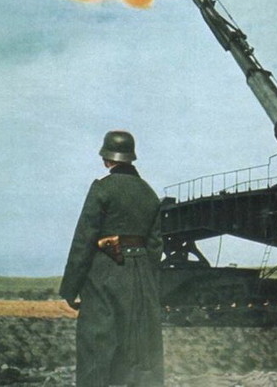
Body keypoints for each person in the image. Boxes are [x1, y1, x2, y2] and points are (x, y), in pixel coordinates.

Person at [59, 130, 164, 387]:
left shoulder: (102, 188)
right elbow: (155, 246)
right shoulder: (149, 193)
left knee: (97, 344)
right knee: (141, 348)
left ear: (107, 159)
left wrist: (70, 288)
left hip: (104, 275)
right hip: (141, 277)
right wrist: (146, 279)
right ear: (131, 158)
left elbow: (84, 240)